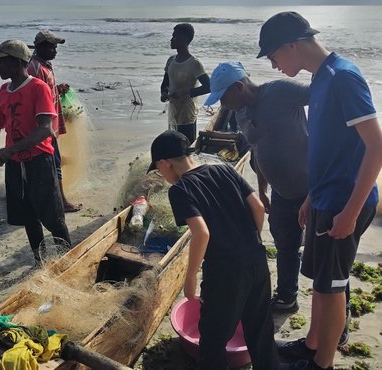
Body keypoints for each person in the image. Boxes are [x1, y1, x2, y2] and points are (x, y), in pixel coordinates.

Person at [257, 12, 382, 370]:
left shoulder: (343, 77)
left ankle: (322, 362)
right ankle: (312, 343)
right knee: (321, 284)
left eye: (273, 55)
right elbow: (330, 147)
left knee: (333, 286)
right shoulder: (321, 79)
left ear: (292, 45)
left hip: (346, 201)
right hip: (325, 199)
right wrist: (313, 195)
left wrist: (351, 212)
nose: (273, 64)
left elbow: (376, 146)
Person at [148, 130, 280, 370]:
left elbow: (202, 233)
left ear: (165, 164)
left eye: (159, 169)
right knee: (260, 328)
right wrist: (249, 242)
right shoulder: (224, 169)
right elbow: (259, 208)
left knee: (212, 339)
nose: (162, 175)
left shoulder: (180, 190)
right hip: (256, 258)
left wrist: (190, 278)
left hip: (225, 271)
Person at [205, 61, 309, 314]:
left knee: (326, 256)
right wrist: (262, 189)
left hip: (312, 189)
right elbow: (257, 150)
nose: (223, 105)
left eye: (224, 98)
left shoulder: (281, 91)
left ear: (238, 87)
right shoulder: (240, 112)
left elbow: (324, 95)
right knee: (285, 245)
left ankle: (340, 312)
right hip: (280, 191)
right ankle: (287, 297)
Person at [0, 39, 71, 263]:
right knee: (28, 216)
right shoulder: (4, 90)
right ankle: (40, 260)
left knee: (54, 217)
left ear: (17, 63)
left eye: (1, 61)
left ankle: (67, 260)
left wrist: (10, 150)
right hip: (16, 165)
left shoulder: (38, 88)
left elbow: (45, 129)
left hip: (39, 161)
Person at [27, 29, 82, 213]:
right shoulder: (34, 68)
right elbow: (33, 97)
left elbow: (44, 93)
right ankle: (61, 202)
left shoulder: (44, 66)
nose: (55, 50)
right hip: (43, 128)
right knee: (53, 164)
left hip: (46, 127)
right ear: (41, 47)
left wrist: (57, 89)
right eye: (52, 47)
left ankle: (50, 200)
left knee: (51, 163)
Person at [160, 23, 210, 144]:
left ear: (184, 39)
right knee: (173, 142)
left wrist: (186, 92)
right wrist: (164, 93)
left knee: (186, 144)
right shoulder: (171, 61)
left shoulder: (194, 63)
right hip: (173, 110)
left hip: (187, 113)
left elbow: (208, 87)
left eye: (175, 36)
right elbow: (165, 82)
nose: (171, 40)